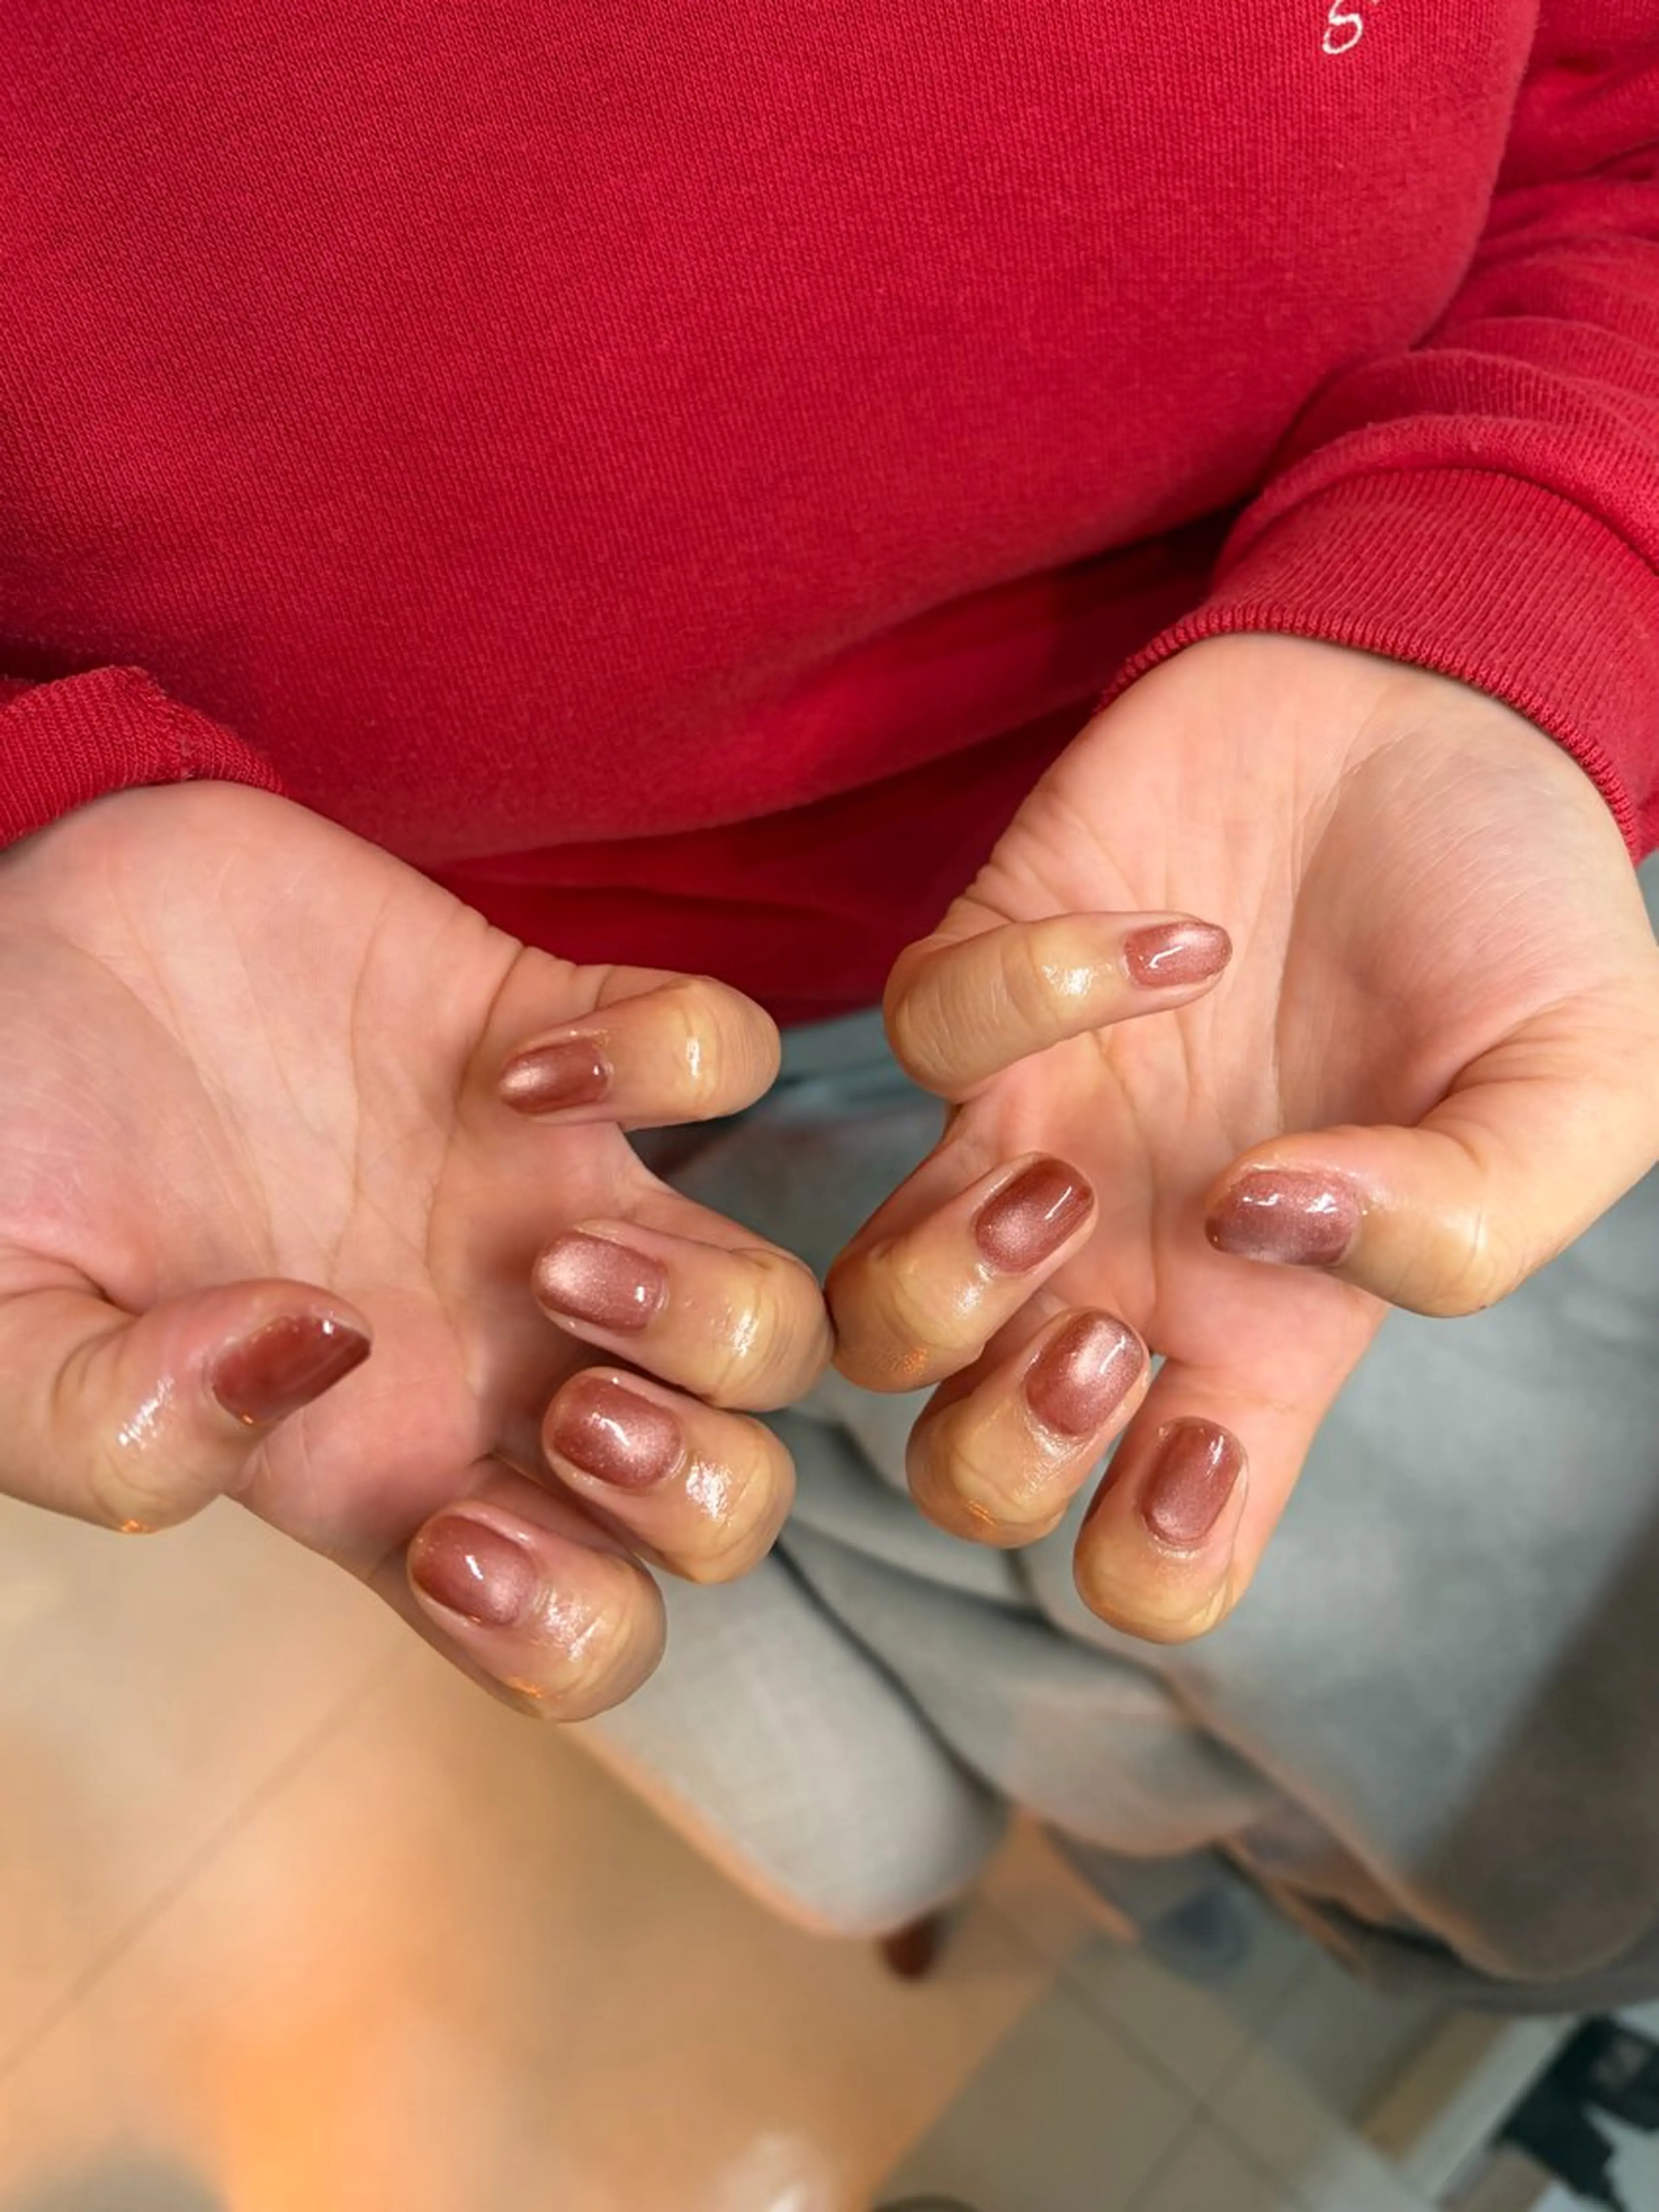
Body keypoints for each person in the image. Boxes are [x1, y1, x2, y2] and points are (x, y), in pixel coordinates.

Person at [3, 4, 1658, 1999]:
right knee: (906, 1793)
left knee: (1489, 1792)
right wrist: (39, 827)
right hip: (412, 1059)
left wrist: (1513, 581)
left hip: (1371, 852)